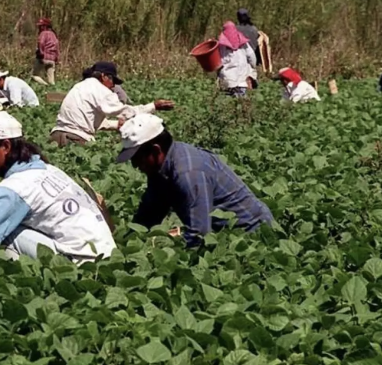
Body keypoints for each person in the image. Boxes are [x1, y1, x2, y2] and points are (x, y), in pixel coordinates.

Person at [0, 112, 116, 263]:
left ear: (5, 146)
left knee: (6, 232)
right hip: (109, 255)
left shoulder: (15, 186)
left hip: (81, 262)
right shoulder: (47, 169)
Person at [117, 114, 273, 246]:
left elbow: (199, 234)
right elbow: (149, 213)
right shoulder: (160, 168)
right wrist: (128, 243)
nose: (135, 165)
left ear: (156, 150)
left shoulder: (188, 172)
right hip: (222, 233)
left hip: (251, 235)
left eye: (137, 158)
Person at [51, 62, 174, 146]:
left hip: (56, 137)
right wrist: (153, 106)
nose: (114, 85)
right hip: (76, 139)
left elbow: (89, 119)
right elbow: (125, 112)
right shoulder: (101, 89)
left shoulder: (79, 86)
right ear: (104, 76)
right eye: (113, 80)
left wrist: (117, 125)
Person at [217, 21, 258, 97]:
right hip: (241, 81)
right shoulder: (243, 43)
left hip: (227, 80)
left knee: (227, 105)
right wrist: (252, 67)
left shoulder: (221, 45)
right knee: (241, 103)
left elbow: (216, 62)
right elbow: (252, 57)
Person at [32, 18, 59, 86]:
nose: (39, 27)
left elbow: (41, 43)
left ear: (45, 26)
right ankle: (53, 89)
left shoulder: (43, 33)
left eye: (41, 26)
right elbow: (57, 46)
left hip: (44, 58)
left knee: (34, 76)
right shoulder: (53, 34)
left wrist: (41, 54)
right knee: (51, 81)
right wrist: (57, 58)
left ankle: (46, 86)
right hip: (52, 59)